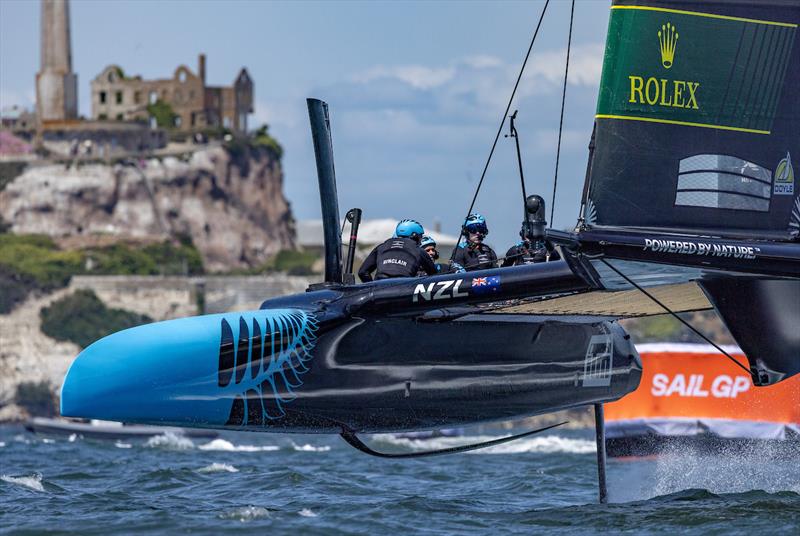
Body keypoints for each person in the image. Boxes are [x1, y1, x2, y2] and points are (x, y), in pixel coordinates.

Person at [358, 219, 438, 282]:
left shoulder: (381, 247)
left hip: (379, 288)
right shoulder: (419, 250)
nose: (420, 240)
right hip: (404, 289)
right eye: (420, 236)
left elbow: (363, 272)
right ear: (415, 235)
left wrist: (372, 288)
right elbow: (433, 274)